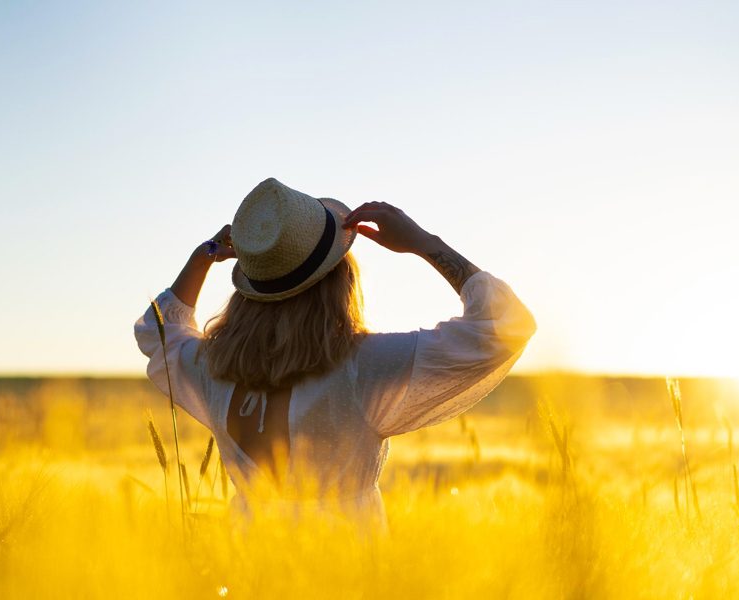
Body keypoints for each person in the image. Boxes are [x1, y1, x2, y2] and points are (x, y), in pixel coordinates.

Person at [134, 178, 536, 528]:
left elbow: (158, 331)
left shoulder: (214, 370)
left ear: (249, 291)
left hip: (248, 567)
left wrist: (205, 254)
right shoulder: (364, 366)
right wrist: (424, 243)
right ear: (339, 280)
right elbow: (504, 326)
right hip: (346, 570)